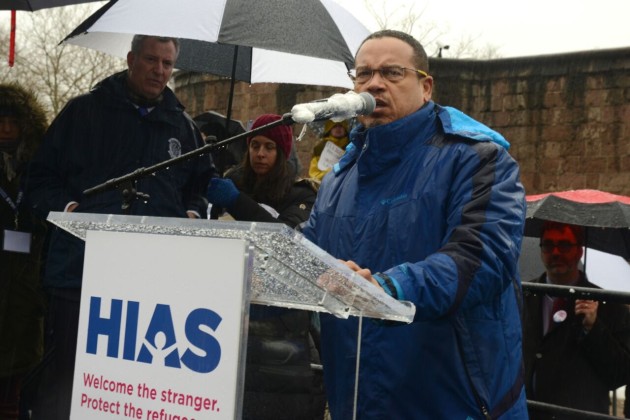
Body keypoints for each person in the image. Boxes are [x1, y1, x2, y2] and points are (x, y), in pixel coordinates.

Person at [300, 29, 528, 419]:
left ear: (426, 87)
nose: (374, 83)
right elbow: (307, 255)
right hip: (355, 401)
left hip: (454, 403)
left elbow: (480, 258)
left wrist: (386, 290)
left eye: (392, 72)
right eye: (363, 74)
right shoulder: (339, 176)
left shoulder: (477, 158)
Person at [23, 35, 215, 420]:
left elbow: (201, 187)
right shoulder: (82, 114)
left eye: (167, 63)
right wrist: (70, 209)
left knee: (132, 387)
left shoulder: (184, 128)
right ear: (130, 59)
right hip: (80, 275)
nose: (160, 71)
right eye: (151, 60)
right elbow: (38, 180)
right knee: (68, 381)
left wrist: (194, 214)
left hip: (154, 284)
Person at [206, 114, 324, 419]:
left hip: (280, 325)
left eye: (269, 147)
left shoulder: (301, 193)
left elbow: (285, 243)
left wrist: (237, 202)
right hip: (227, 313)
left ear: (282, 153)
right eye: (255, 145)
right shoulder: (230, 180)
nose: (260, 153)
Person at [522, 221, 630, 419]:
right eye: (548, 245)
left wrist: (593, 328)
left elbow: (619, 374)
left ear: (580, 251)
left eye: (564, 245)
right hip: (527, 412)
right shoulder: (524, 294)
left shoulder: (611, 305)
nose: (555, 252)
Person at [0, 83, 48, 420]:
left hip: (28, 279)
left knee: (21, 361)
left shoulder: (39, 168)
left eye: (12, 121)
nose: (5, 129)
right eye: (0, 121)